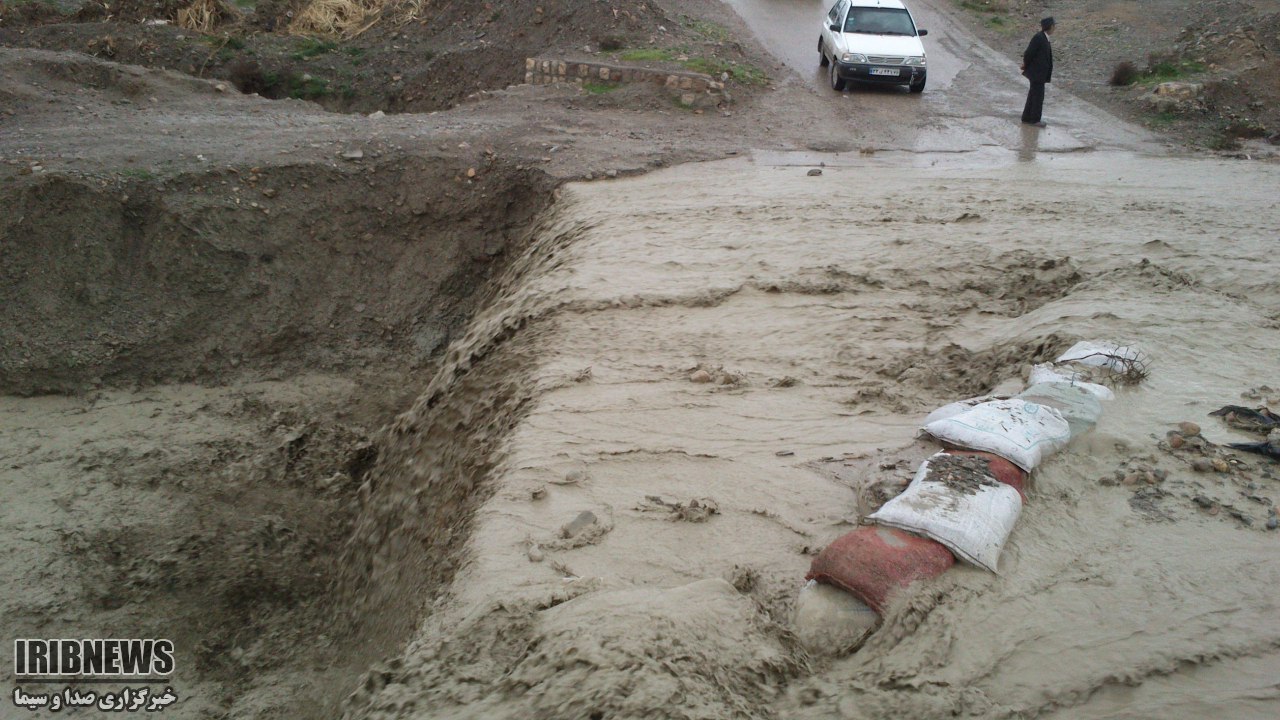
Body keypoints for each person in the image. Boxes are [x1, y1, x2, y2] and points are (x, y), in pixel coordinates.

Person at [1020, 17, 1055, 127]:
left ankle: (1026, 117)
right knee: (1038, 96)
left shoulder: (1044, 38)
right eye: (1054, 26)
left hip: (1039, 73)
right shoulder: (1039, 38)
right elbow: (1028, 53)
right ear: (1051, 26)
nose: (1055, 28)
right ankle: (1035, 119)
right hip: (1037, 73)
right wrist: (1026, 65)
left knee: (1033, 95)